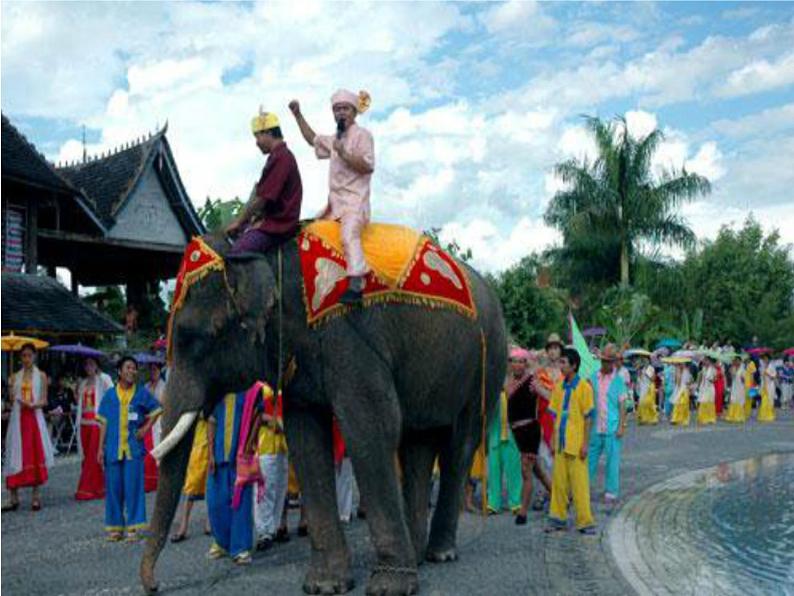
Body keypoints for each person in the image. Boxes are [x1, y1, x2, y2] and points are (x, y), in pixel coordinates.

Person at [289, 89, 375, 304]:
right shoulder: (336, 139)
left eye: (345, 108)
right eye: (336, 109)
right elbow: (313, 140)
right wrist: (298, 115)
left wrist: (344, 153)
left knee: (348, 236)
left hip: (355, 205)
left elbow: (367, 166)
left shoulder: (363, 135)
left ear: (354, 112)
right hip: (334, 206)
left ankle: (356, 284)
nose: (340, 113)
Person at [96, 356, 162, 541]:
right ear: (119, 371)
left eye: (134, 368)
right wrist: (100, 448)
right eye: (128, 368)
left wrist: (146, 428)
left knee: (133, 487)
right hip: (113, 449)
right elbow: (103, 423)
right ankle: (116, 527)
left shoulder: (141, 393)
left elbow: (157, 410)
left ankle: (133, 527)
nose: (132, 371)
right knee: (113, 488)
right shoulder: (109, 395)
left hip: (133, 448)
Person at [226, 109, 303, 255]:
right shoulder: (279, 156)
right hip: (272, 221)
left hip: (279, 225)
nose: (256, 143)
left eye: (258, 136)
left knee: (238, 251)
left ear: (268, 133)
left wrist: (239, 222)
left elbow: (262, 199)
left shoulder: (281, 157)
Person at [546, 348, 596, 534]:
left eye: (563, 363)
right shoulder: (558, 387)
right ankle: (557, 519)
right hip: (560, 443)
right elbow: (554, 415)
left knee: (579, 485)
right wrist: (552, 439)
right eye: (560, 362)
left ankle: (585, 521)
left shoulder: (584, 388)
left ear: (573, 365)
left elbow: (588, 417)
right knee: (558, 484)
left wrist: (585, 444)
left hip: (576, 444)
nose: (560, 366)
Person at [206, 390, 259, 565]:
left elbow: (257, 417)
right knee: (215, 502)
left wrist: (249, 445)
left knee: (240, 502)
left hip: (240, 456)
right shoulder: (217, 391)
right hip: (219, 455)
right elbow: (211, 421)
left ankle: (241, 548)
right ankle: (221, 542)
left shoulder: (248, 392)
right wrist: (210, 453)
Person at [3, 344, 54, 512]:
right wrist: (11, 391)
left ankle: (36, 496)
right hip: (18, 420)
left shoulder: (41, 376)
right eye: (23, 355)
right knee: (15, 454)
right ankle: (13, 497)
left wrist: (32, 405)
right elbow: (11, 402)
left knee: (34, 454)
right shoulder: (14, 377)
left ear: (34, 356)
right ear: (20, 358)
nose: (26, 359)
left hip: (33, 419)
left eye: (29, 355)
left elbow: (44, 400)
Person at [506, 348, 552, 525]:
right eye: (513, 361)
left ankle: (523, 513)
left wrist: (543, 392)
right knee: (537, 470)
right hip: (516, 432)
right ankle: (558, 497)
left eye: (520, 361)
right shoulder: (508, 381)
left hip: (529, 430)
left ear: (525, 364)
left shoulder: (532, 381)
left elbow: (548, 396)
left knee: (526, 471)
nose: (516, 364)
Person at [588, 344, 628, 509]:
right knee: (589, 460)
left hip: (611, 427)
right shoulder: (593, 378)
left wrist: (621, 426)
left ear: (613, 363)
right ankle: (583, 488)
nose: (606, 364)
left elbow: (623, 405)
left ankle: (611, 491)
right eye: (604, 361)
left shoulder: (618, 380)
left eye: (609, 361)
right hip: (595, 427)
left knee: (613, 460)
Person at [253, 385, 290, 550]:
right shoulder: (259, 388)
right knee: (265, 488)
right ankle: (264, 531)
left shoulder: (285, 384)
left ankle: (273, 528)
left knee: (280, 487)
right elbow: (254, 414)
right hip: (266, 443)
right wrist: (271, 420)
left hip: (283, 444)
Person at [75, 357, 113, 500]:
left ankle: (86, 488)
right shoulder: (83, 383)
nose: (88, 367)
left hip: (96, 423)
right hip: (84, 422)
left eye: (91, 364)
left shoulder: (103, 379)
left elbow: (112, 395)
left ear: (97, 365)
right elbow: (80, 403)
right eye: (86, 364)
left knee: (93, 455)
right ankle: (99, 487)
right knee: (86, 455)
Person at [171, 416, 211, 542]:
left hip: (212, 444)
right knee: (191, 486)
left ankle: (209, 522)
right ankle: (183, 526)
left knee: (211, 484)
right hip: (197, 446)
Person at [487, 375, 522, 516]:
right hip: (495, 438)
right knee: (493, 472)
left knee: (514, 472)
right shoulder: (492, 398)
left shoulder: (516, 395)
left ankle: (515, 503)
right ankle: (493, 503)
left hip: (512, 439)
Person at [143, 363, 165, 493]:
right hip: (147, 420)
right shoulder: (146, 386)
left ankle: (158, 479)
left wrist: (151, 397)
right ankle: (148, 480)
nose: (152, 372)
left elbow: (161, 403)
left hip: (158, 420)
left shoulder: (164, 385)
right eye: (150, 370)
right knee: (147, 450)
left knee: (157, 448)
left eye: (155, 369)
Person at [636, 356, 659, 425]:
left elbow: (653, 379)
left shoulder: (651, 368)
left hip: (649, 387)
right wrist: (639, 371)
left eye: (646, 360)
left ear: (649, 361)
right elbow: (639, 377)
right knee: (642, 403)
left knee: (650, 403)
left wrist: (647, 373)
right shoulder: (642, 368)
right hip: (643, 387)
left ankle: (653, 418)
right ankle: (643, 418)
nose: (645, 361)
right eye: (643, 360)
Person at [724, 356, 747, 423]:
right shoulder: (733, 368)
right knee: (733, 400)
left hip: (740, 387)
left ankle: (739, 416)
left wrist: (743, 378)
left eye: (737, 360)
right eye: (735, 361)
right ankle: (732, 415)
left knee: (739, 400)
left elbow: (744, 380)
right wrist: (731, 372)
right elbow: (731, 378)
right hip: (734, 386)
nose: (736, 362)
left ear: (740, 361)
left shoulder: (743, 369)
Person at [670, 361, 692, 426]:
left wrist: (688, 385)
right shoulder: (678, 371)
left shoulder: (687, 372)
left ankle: (683, 419)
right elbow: (676, 382)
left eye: (681, 364)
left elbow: (689, 381)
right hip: (678, 389)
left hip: (684, 389)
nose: (680, 365)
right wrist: (677, 374)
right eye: (679, 364)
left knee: (683, 404)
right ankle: (675, 418)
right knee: (676, 404)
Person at [696, 357, 717, 425]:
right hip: (703, 387)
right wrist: (698, 386)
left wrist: (712, 380)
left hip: (710, 387)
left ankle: (710, 418)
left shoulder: (713, 369)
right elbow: (701, 378)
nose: (705, 362)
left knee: (708, 402)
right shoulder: (703, 369)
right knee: (703, 401)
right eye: (704, 360)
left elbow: (715, 379)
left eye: (706, 360)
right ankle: (703, 418)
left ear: (709, 361)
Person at [757, 354, 776, 422]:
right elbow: (761, 377)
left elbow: (773, 377)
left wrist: (768, 374)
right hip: (763, 386)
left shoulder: (772, 367)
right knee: (764, 400)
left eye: (766, 359)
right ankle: (763, 415)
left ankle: (769, 415)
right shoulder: (761, 367)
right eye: (764, 359)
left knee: (770, 400)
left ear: (769, 359)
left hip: (770, 385)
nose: (765, 360)